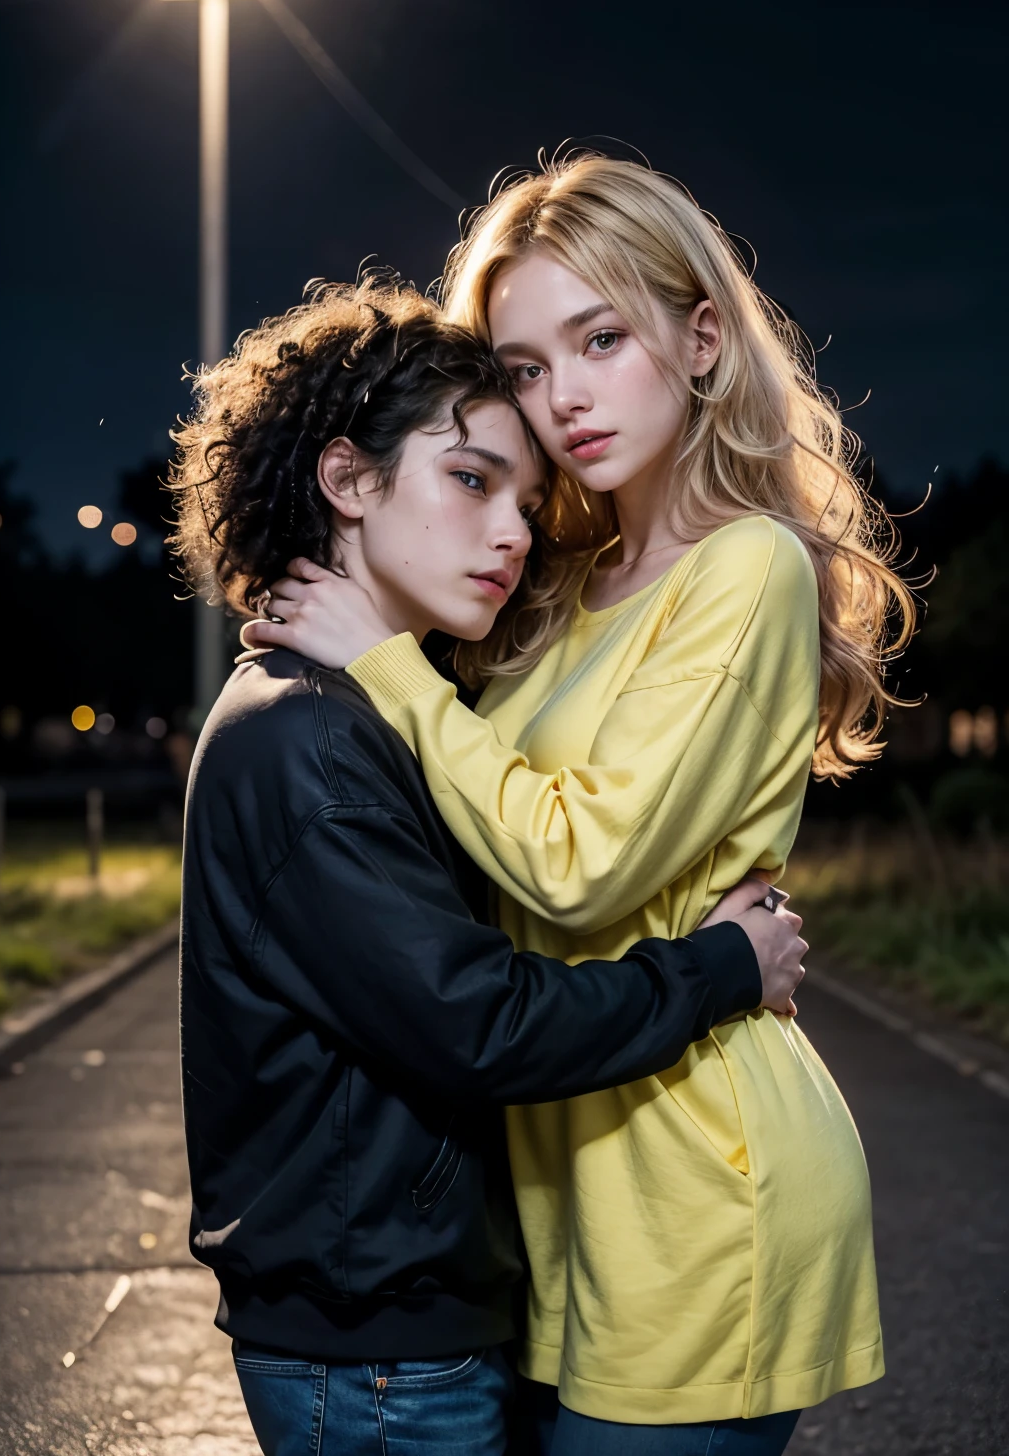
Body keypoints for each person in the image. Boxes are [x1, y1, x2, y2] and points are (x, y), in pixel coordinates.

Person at [246, 157, 917, 1455]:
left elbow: (576, 866)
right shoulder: (561, 587)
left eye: (600, 339)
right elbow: (457, 830)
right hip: (564, 1203)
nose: (564, 401)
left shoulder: (746, 570)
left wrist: (380, 664)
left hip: (699, 1194)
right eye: (527, 367)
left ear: (701, 337)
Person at [170, 277, 806, 1456]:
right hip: (376, 1351)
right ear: (350, 482)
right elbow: (485, 1022)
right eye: (470, 481)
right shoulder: (308, 739)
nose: (514, 530)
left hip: (416, 1321)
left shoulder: (368, 710)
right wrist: (726, 965)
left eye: (526, 495)